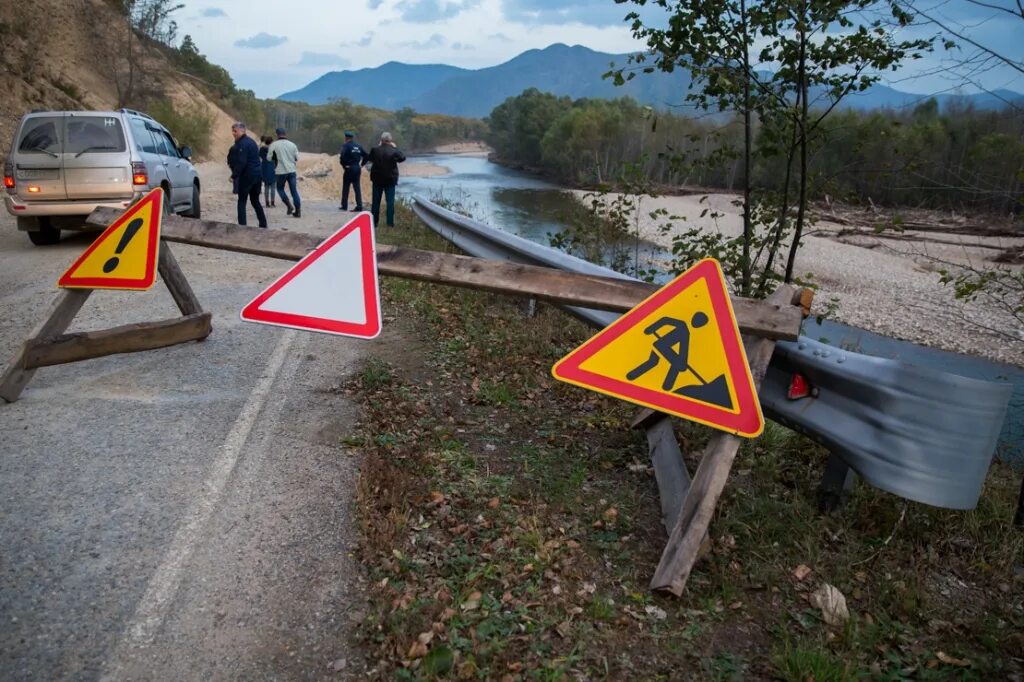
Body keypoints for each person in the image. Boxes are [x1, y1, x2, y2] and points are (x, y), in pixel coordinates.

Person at [227, 122, 267, 228]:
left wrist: (234, 176)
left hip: (248, 175)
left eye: (235, 131)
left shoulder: (242, 144)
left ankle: (242, 227)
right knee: (255, 200)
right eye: (233, 131)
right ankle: (263, 224)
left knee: (242, 201)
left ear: (243, 130)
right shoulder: (251, 142)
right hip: (257, 175)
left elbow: (242, 162)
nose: (233, 133)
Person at [364, 131, 406, 228]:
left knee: (375, 202)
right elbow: (402, 158)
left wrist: (378, 146)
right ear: (390, 140)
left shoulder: (375, 149)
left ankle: (374, 223)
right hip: (390, 179)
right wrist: (395, 147)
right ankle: (390, 224)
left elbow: (370, 158)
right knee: (390, 202)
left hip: (377, 179)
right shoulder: (394, 151)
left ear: (381, 140)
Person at [268, 127, 301, 219]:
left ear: (277, 134)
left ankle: (289, 205)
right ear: (285, 133)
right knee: (294, 191)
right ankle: (298, 211)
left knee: (280, 188)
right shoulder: (293, 145)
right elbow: (297, 158)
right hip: (292, 171)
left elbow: (268, 158)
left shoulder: (274, 145)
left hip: (280, 171)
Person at [338, 130, 368, 212]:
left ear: (346, 138)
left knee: (346, 187)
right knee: (357, 188)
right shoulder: (358, 146)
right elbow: (366, 156)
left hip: (349, 168)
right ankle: (359, 205)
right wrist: (362, 165)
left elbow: (342, 157)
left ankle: (344, 205)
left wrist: (344, 165)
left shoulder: (346, 146)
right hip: (357, 168)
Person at [259, 135, 276, 208]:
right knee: (273, 187)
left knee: (266, 186)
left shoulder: (262, 149)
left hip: (265, 168)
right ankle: (272, 203)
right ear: (272, 142)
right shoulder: (274, 150)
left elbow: (259, 156)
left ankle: (267, 203)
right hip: (273, 168)